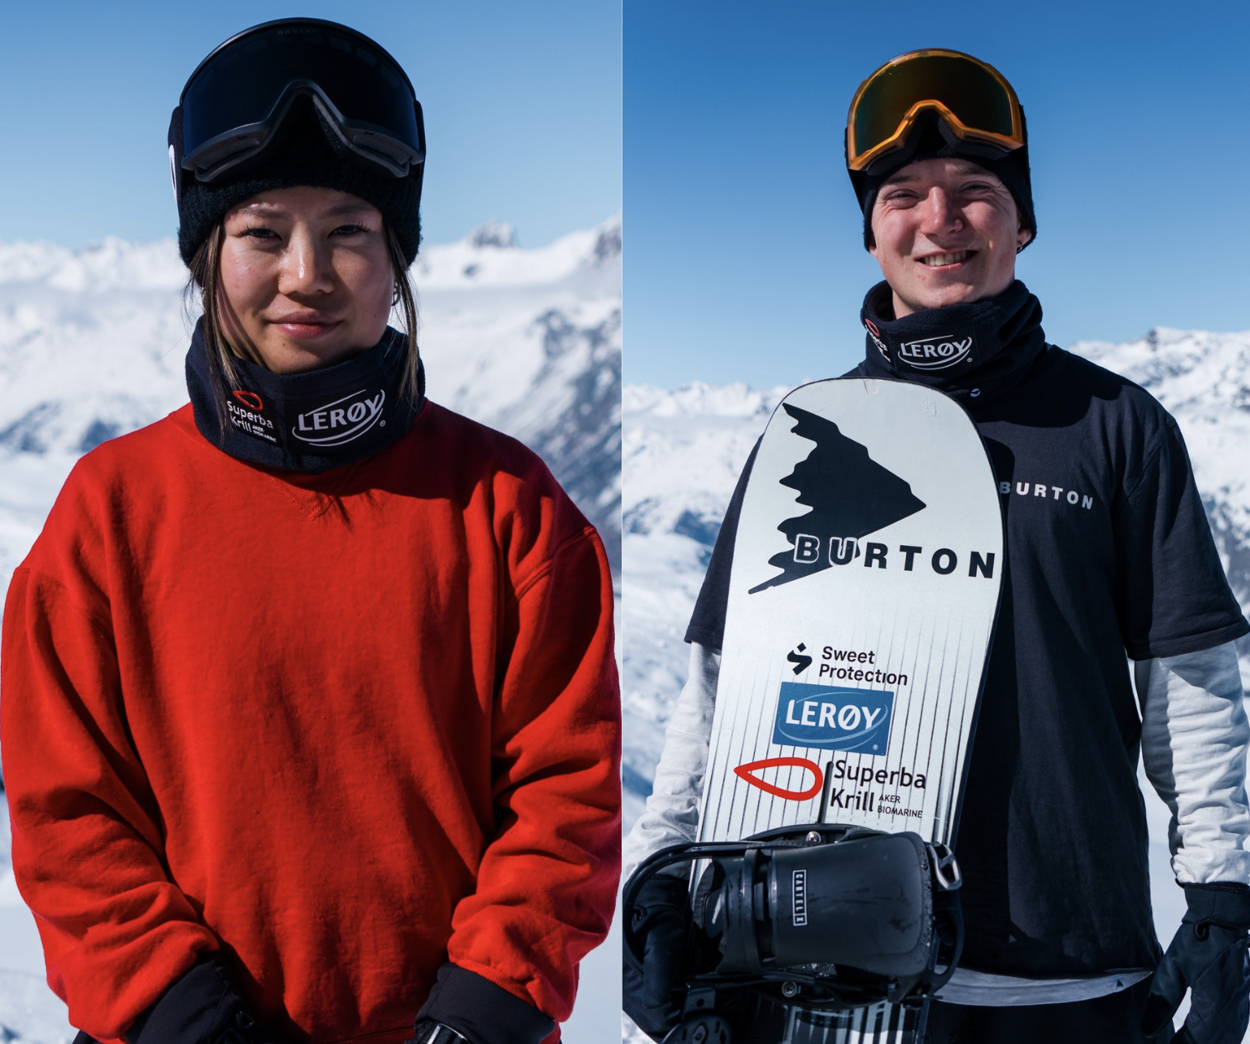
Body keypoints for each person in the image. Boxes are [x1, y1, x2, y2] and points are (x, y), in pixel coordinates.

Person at [0, 18, 619, 1044]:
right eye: (261, 230)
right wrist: (183, 1014)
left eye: (348, 231)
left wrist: (482, 1010)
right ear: (206, 253)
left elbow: (567, 799)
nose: (306, 273)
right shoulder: (109, 515)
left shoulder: (507, 505)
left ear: (394, 257)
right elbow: (68, 816)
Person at [624, 48, 1250, 1044]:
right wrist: (664, 884)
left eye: (974, 192)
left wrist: (1218, 895)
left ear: (1022, 222)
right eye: (903, 194)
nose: (938, 219)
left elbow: (1191, 682)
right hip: (833, 970)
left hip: (1073, 969)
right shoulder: (805, 437)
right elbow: (717, 690)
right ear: (871, 233)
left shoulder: (1112, 426)